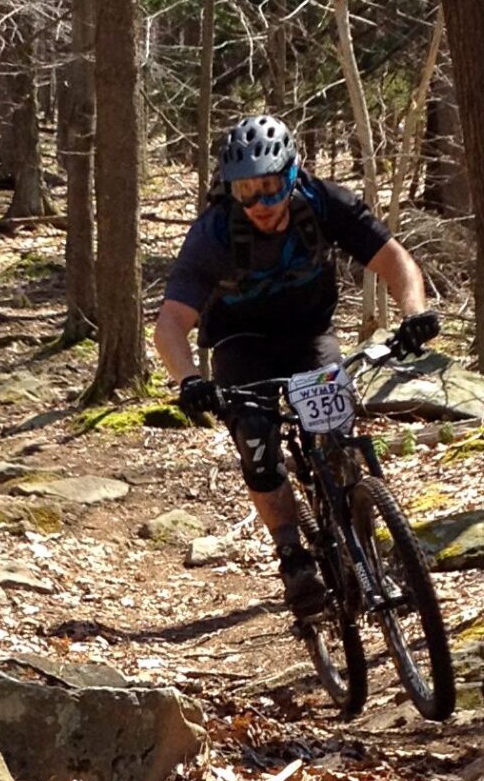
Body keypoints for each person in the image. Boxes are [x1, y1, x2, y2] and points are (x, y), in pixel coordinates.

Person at [154, 114, 438, 620]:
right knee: (258, 443)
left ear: (292, 175)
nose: (260, 204)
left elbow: (395, 260)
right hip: (243, 347)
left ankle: (365, 546)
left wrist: (415, 315)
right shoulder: (214, 233)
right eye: (246, 191)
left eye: (270, 188)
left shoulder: (325, 202)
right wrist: (191, 382)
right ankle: (292, 555)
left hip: (310, 337)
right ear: (229, 190)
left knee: (338, 437)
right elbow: (171, 322)